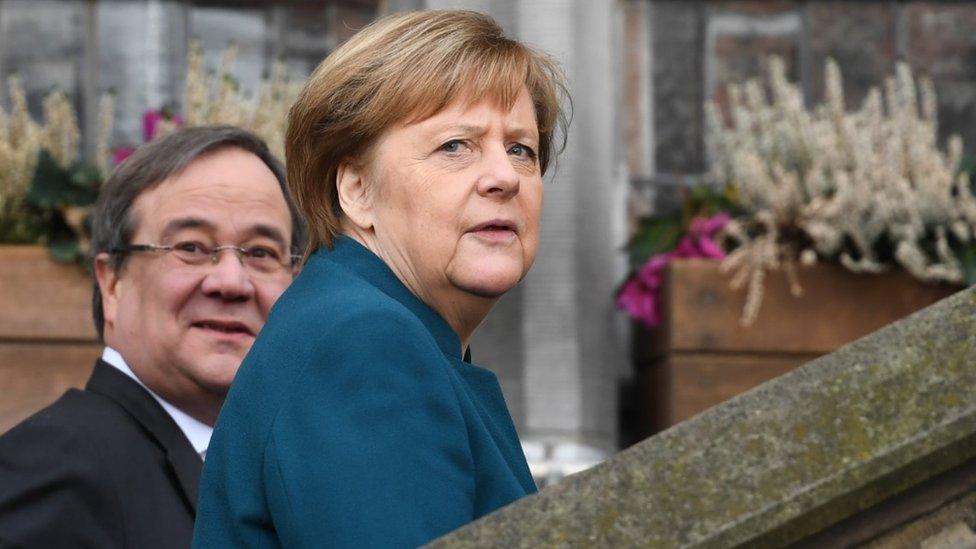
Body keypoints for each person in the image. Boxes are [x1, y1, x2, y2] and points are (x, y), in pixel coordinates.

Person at [193, 9, 569, 548]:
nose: (504, 177)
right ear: (357, 190)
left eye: (520, 149)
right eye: (454, 146)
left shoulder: (367, 326)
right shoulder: (363, 343)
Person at [0, 126, 306, 548]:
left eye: (261, 253)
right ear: (112, 285)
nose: (232, 282)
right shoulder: (55, 470)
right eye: (192, 247)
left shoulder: (286, 474)